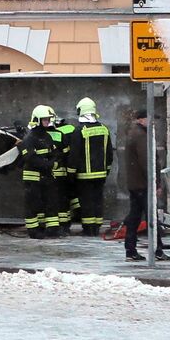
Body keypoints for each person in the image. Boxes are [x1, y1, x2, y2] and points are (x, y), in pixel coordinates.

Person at [122, 108, 170, 262]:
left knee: (135, 217)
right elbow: (147, 162)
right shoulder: (142, 136)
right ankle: (157, 249)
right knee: (152, 218)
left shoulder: (134, 133)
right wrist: (155, 183)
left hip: (136, 183)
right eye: (150, 119)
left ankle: (130, 249)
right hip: (143, 184)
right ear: (141, 119)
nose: (153, 123)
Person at [67, 97, 113, 236]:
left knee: (86, 202)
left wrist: (70, 173)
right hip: (101, 174)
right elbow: (109, 153)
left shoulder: (79, 131)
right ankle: (97, 226)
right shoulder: (104, 129)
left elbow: (74, 154)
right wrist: (107, 171)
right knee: (97, 200)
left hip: (84, 175)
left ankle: (88, 229)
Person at [17, 105, 60, 239]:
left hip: (46, 177)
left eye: (48, 119)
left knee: (50, 203)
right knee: (33, 205)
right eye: (44, 119)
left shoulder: (47, 137)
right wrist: (49, 164)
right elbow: (30, 158)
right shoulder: (30, 139)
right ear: (37, 120)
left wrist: (53, 163)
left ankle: (52, 229)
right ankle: (34, 231)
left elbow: (55, 153)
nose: (47, 122)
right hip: (33, 178)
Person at [44, 110, 73, 236]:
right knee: (62, 201)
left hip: (47, 173)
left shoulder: (40, 135)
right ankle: (64, 226)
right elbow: (67, 154)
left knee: (49, 201)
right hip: (61, 173)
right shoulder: (60, 134)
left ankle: (50, 227)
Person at [54, 110, 79, 232]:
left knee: (61, 199)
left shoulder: (57, 133)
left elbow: (61, 152)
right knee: (71, 195)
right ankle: (76, 215)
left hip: (59, 170)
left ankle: (63, 225)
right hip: (73, 167)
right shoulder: (72, 129)